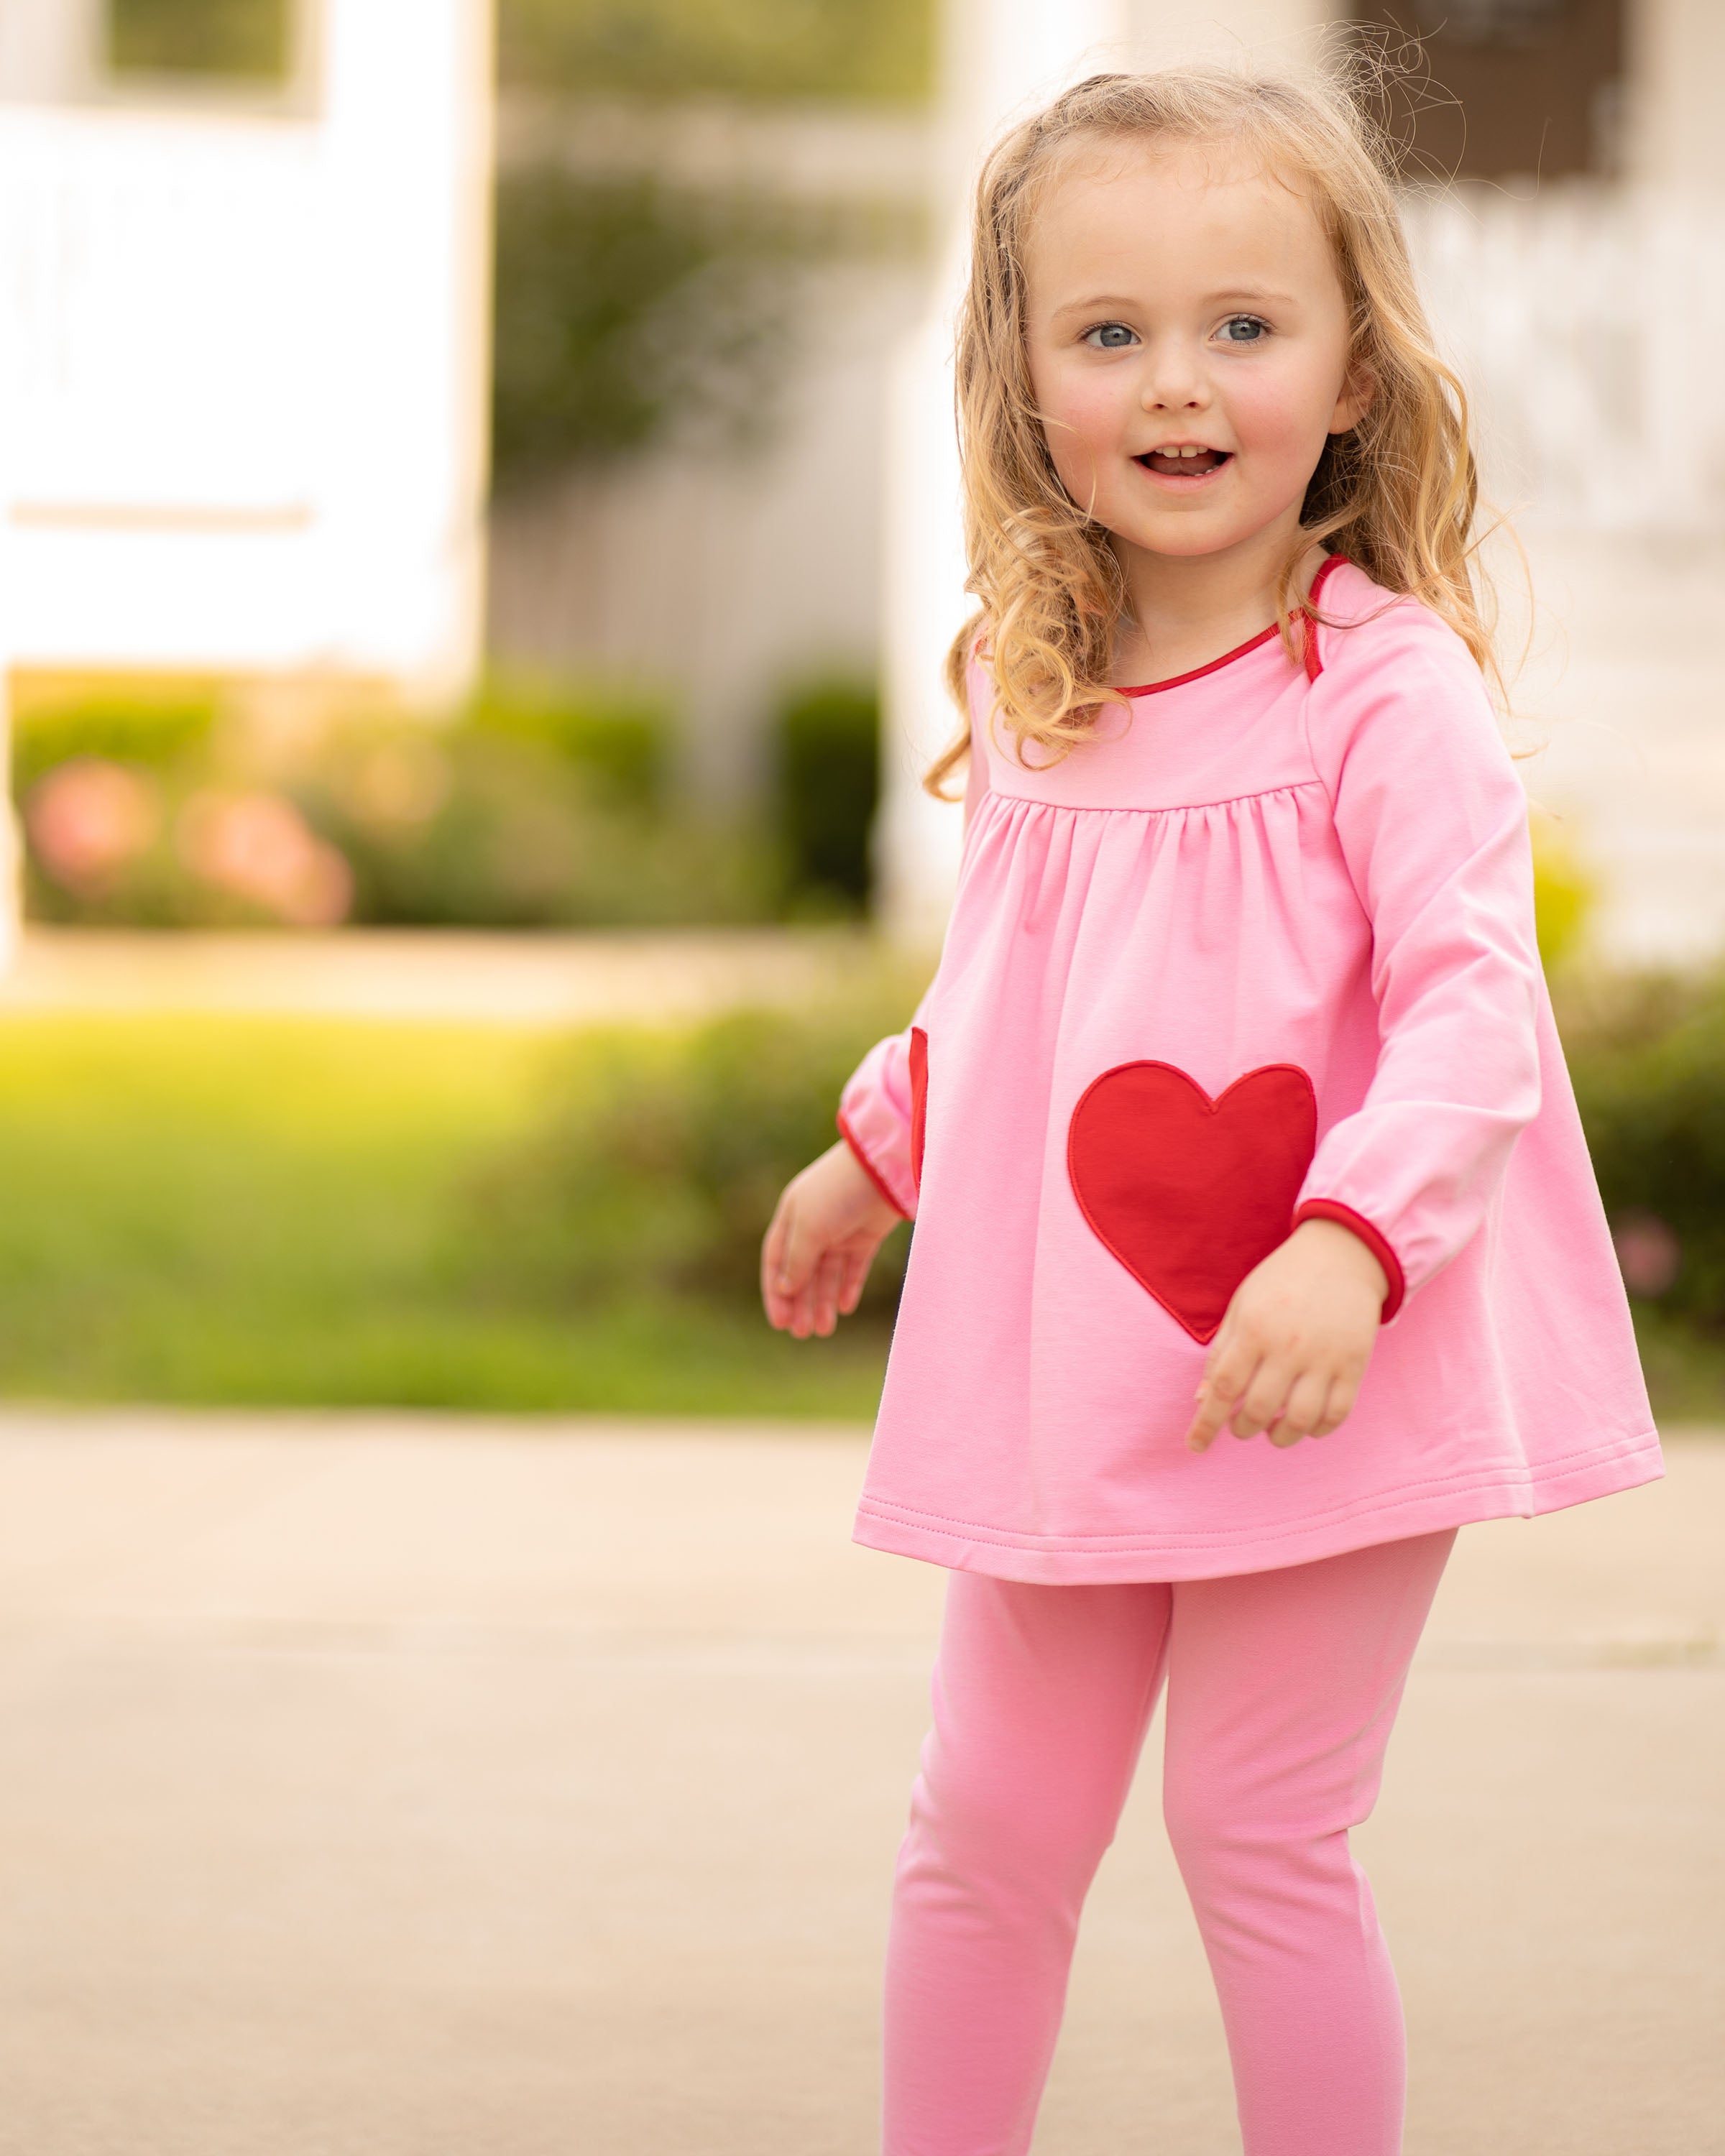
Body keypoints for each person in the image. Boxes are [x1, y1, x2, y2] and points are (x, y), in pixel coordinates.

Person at [759, 65, 1660, 2156]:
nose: (1182, 385)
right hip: (1084, 1363)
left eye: (1246, 327)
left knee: (1260, 1830)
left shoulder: (1385, 689)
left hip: (1327, 1365)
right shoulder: (1030, 677)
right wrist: (881, 1141)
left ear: (1353, 369)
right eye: (1112, 333)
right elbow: (1021, 991)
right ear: (1027, 381)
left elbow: (1471, 1012)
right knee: (984, 1820)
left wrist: (1348, 1249)